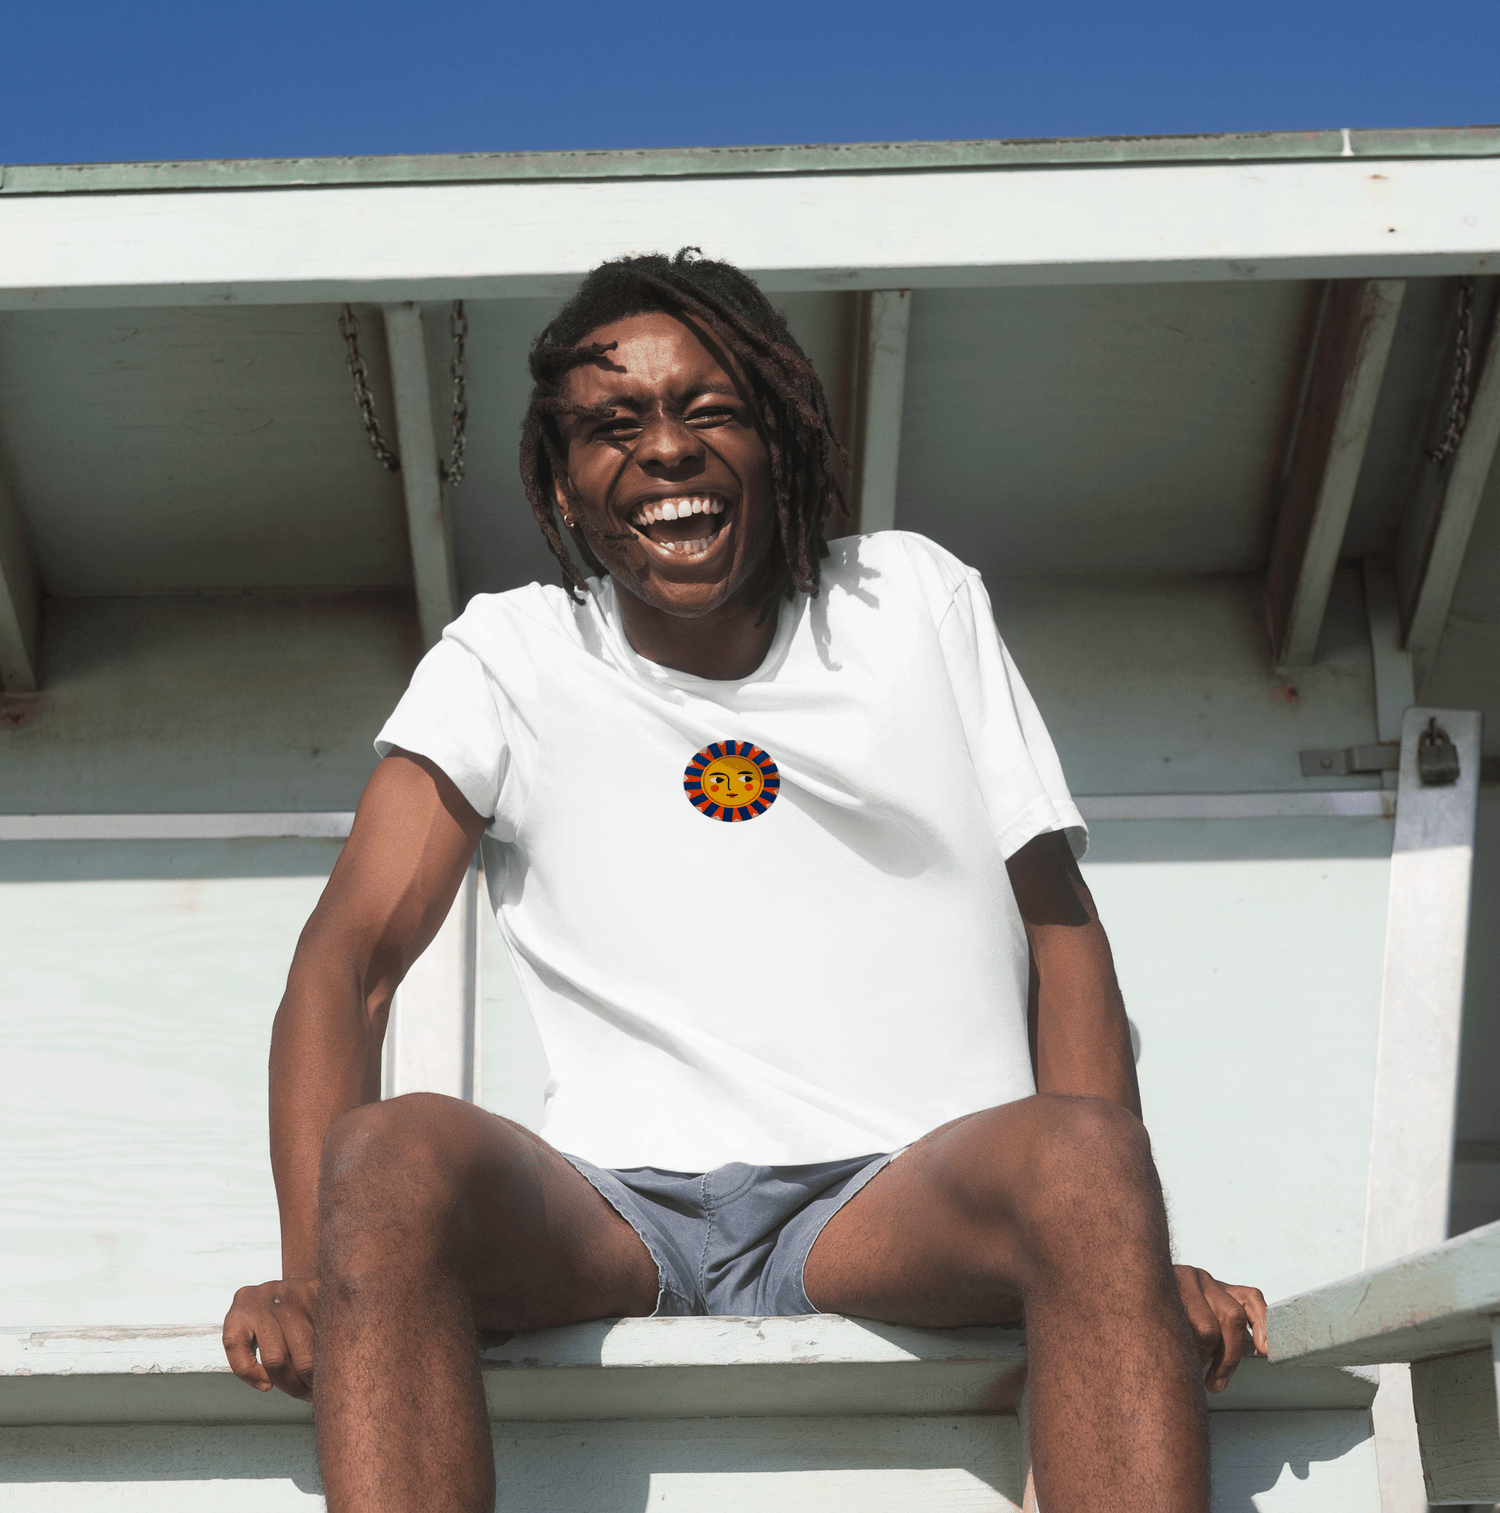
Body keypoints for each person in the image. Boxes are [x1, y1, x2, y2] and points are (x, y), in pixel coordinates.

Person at [223, 249, 1266, 1513]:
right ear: (562, 482)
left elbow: (1063, 937)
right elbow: (348, 967)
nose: (665, 449)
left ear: (781, 434)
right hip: (619, 1213)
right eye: (614, 425)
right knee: (385, 1161)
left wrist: (1130, 1259)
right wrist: (306, 1278)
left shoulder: (911, 602)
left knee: (1087, 1160)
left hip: (895, 1197)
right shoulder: (511, 653)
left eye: (708, 408)